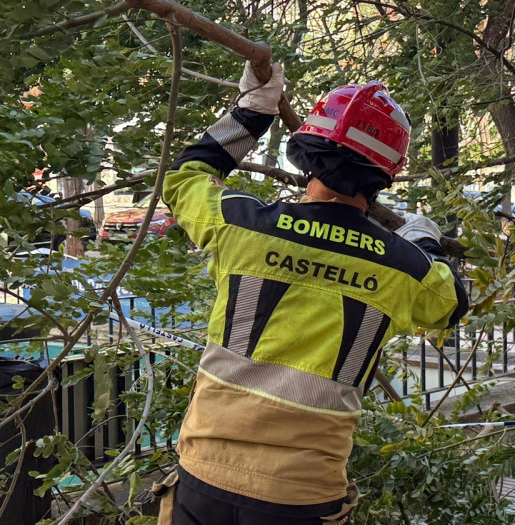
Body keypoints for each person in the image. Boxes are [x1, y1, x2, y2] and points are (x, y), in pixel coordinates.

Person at [154, 61, 469, 524]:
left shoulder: (241, 223)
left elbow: (184, 177)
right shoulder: (404, 267)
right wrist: (422, 241)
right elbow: (451, 305)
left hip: (204, 476)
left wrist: (250, 115)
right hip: (301, 495)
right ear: (386, 174)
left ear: (306, 151)